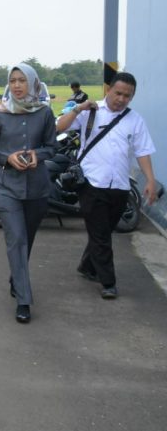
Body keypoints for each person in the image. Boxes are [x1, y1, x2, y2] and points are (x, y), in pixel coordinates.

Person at [56, 71, 157, 299]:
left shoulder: (135, 120)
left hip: (120, 186)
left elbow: (143, 152)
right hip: (91, 183)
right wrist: (77, 109)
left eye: (127, 96)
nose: (121, 99)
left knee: (103, 230)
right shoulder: (90, 112)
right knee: (101, 235)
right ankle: (108, 282)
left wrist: (150, 179)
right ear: (108, 89)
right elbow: (59, 128)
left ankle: (87, 266)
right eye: (118, 93)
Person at [0, 64, 57, 324]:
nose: (16, 85)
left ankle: (17, 276)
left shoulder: (45, 113)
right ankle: (24, 300)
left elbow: (52, 147)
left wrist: (38, 154)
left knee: (28, 238)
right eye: (12, 80)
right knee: (17, 239)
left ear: (33, 83)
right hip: (5, 186)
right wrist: (6, 158)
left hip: (37, 188)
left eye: (22, 80)